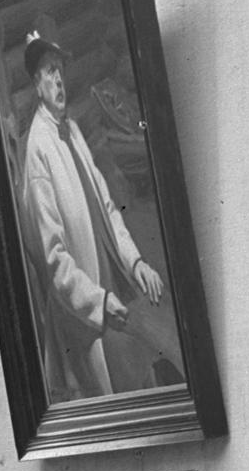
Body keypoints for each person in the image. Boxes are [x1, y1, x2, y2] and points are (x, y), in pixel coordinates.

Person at [11, 30, 173, 400]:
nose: (58, 80)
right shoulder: (38, 150)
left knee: (154, 359)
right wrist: (97, 301)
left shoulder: (71, 130)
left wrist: (135, 263)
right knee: (122, 389)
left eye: (60, 70)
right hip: (82, 314)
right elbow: (54, 260)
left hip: (112, 284)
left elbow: (107, 208)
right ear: (36, 84)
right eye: (49, 72)